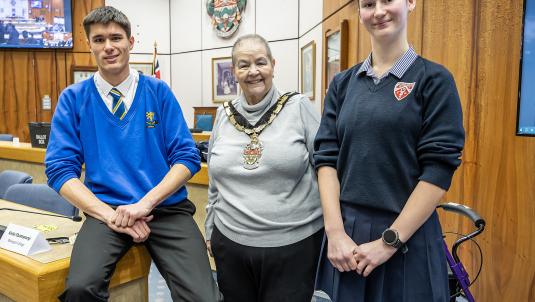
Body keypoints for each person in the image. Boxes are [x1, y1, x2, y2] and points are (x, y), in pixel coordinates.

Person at [45, 6, 220, 302]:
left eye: (116, 37)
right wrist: (110, 215)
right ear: (90, 46)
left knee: (204, 297)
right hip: (105, 212)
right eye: (99, 40)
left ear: (130, 42)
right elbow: (60, 170)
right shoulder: (73, 99)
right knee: (79, 289)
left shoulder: (158, 92)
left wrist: (144, 204)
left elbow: (187, 157)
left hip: (166, 209)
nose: (109, 46)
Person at [314, 0, 465, 301]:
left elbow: (438, 170)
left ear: (410, 3)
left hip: (407, 239)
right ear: (359, 12)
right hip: (346, 242)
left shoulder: (434, 81)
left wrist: (388, 242)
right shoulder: (342, 84)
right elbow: (326, 158)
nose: (379, 11)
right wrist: (335, 233)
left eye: (387, 1)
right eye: (368, 4)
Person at [205, 34, 324, 302]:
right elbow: (214, 179)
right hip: (231, 244)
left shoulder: (299, 106)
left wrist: (334, 227)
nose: (253, 72)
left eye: (261, 62)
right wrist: (210, 228)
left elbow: (327, 168)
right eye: (244, 65)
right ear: (233, 71)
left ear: (273, 64)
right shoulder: (223, 114)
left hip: (294, 245)